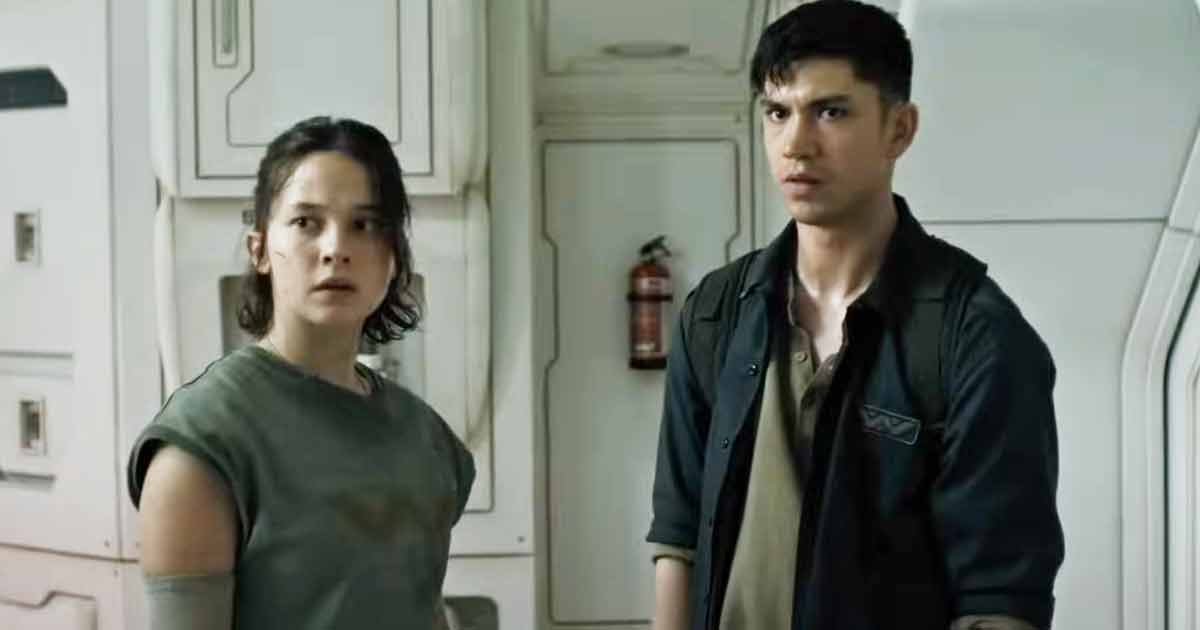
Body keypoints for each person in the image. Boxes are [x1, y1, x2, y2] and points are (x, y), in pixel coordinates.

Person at [646, 2, 1064, 629]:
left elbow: (998, 600)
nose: (796, 144)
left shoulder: (978, 336)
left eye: (831, 111)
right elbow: (678, 539)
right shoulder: (714, 312)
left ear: (899, 129)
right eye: (777, 113)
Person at [127, 116, 475, 629]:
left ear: (393, 259)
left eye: (365, 225)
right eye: (306, 222)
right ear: (260, 250)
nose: (336, 249)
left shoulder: (428, 441)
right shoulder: (201, 448)